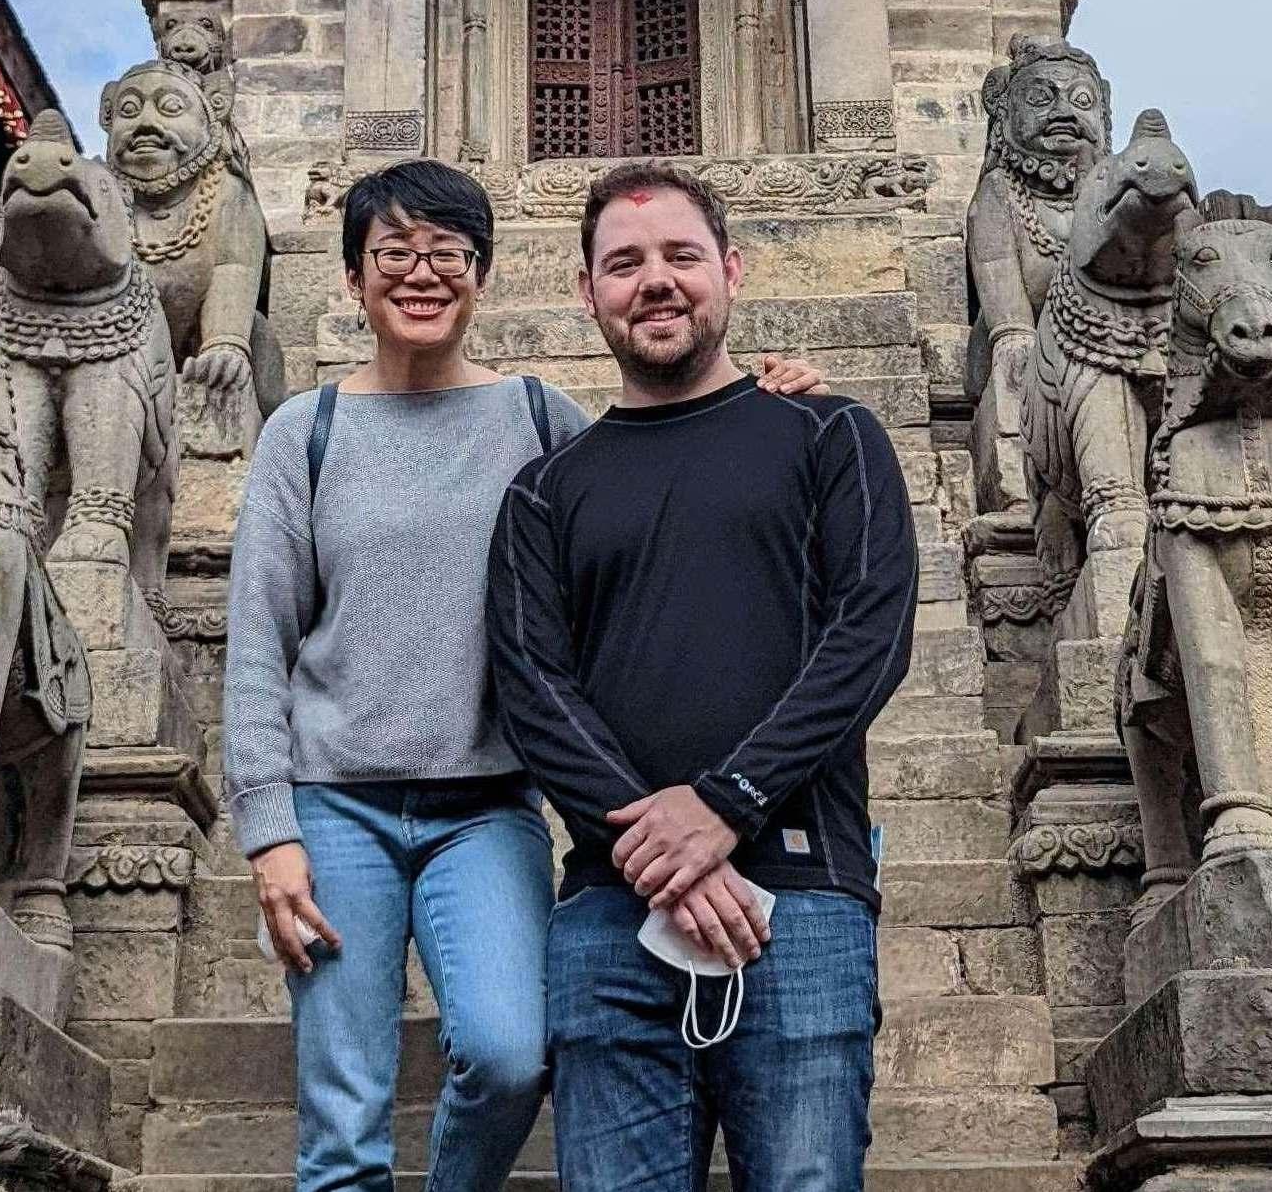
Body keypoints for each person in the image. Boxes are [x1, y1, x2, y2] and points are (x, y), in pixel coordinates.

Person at [224, 157, 828, 1192]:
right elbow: (257, 637)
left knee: (511, 1055)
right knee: (343, 1113)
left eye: (448, 254)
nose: (422, 275)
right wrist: (268, 831)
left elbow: (650, 487)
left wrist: (762, 408)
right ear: (353, 279)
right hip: (333, 809)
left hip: (487, 807)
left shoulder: (536, 419)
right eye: (394, 255)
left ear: (482, 274)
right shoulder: (306, 432)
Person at [487, 162, 919, 1192]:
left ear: (730, 270)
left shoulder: (828, 435)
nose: (657, 281)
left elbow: (871, 633)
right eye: (624, 263)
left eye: (682, 255)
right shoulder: (546, 491)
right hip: (608, 909)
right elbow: (533, 687)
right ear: (587, 294)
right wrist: (657, 843)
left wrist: (728, 802)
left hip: (802, 897)